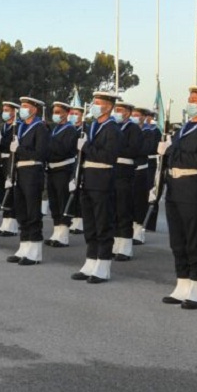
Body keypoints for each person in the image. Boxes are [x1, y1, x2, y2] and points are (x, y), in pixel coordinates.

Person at [159, 86, 197, 309]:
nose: (190, 102)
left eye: (194, 100)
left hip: (194, 186)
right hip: (175, 186)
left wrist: (170, 151)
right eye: (189, 98)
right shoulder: (185, 127)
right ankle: (183, 283)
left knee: (195, 238)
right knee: (178, 239)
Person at [71, 92, 122, 283]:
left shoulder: (113, 129)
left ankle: (103, 265)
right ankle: (91, 260)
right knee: (90, 224)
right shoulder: (92, 126)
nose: (94, 106)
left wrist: (86, 147)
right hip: (88, 179)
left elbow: (108, 156)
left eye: (98, 103)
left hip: (103, 180)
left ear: (108, 107)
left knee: (103, 223)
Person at [7, 97, 49, 265]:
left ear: (34, 109)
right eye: (22, 106)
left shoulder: (40, 128)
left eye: (25, 106)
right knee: (21, 211)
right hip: (19, 171)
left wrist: (19, 149)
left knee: (32, 212)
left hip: (33, 171)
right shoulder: (20, 127)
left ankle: (35, 250)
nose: (22, 109)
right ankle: (24, 246)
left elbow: (41, 154)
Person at [111, 101, 142, 261]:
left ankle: (125, 248)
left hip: (125, 171)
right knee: (114, 210)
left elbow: (134, 150)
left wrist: (113, 149)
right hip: (112, 171)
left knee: (124, 209)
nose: (117, 112)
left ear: (128, 113)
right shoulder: (113, 127)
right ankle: (115, 244)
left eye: (120, 110)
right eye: (116, 109)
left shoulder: (133, 129)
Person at [44, 102, 78, 248]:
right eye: (54, 112)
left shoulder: (70, 130)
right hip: (52, 169)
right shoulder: (55, 129)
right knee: (54, 203)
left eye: (58, 112)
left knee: (63, 201)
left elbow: (64, 149)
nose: (55, 115)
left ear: (66, 113)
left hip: (64, 169)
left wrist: (48, 142)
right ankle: (56, 231)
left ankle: (63, 234)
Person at [130, 107, 161, 245]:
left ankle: (140, 230)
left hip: (145, 167)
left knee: (141, 200)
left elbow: (147, 149)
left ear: (144, 117)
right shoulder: (130, 129)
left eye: (137, 115)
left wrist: (131, 150)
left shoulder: (150, 131)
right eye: (133, 114)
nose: (134, 117)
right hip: (130, 168)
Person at [0, 101, 20, 236]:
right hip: (2, 161)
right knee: (2, 193)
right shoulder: (4, 127)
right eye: (4, 110)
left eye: (7, 110)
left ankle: (12, 225)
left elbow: (13, 144)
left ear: (14, 112)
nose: (4, 113)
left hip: (11, 160)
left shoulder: (18, 126)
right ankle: (5, 223)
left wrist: (1, 141)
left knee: (11, 193)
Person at [67, 104, 86, 235]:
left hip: (81, 162)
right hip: (71, 162)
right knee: (71, 190)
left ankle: (79, 220)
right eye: (72, 113)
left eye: (76, 114)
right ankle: (73, 218)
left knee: (79, 191)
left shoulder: (85, 129)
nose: (73, 116)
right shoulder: (70, 128)